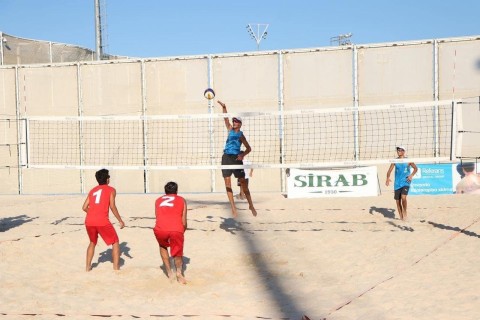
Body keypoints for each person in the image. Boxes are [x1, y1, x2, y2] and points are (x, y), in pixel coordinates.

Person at [217, 100, 257, 218]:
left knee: (244, 183)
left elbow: (249, 148)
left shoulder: (241, 135)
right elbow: (225, 119)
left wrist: (242, 155)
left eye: (236, 121)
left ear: (240, 124)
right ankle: (233, 207)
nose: (234, 122)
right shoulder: (229, 129)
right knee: (227, 182)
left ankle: (250, 204)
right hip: (226, 157)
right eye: (234, 121)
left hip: (236, 158)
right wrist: (224, 107)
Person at [82, 169, 125, 271]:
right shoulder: (111, 190)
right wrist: (120, 220)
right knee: (115, 242)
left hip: (89, 221)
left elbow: (84, 207)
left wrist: (93, 213)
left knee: (92, 242)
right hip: (102, 221)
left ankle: (87, 267)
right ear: (107, 179)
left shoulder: (92, 190)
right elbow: (112, 206)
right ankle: (116, 268)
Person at [153, 181, 188, 284]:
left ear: (165, 191)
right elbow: (184, 221)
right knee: (177, 252)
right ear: (176, 191)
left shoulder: (158, 200)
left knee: (162, 246)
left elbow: (158, 216)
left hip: (160, 229)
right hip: (176, 229)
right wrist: (182, 231)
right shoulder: (181, 200)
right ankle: (179, 273)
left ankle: (169, 273)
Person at [385, 146, 418, 221]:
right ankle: (401, 217)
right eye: (398, 150)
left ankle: (405, 212)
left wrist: (411, 175)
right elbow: (389, 171)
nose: (398, 151)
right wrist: (387, 178)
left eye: (400, 150)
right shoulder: (395, 161)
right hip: (397, 183)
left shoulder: (408, 160)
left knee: (403, 198)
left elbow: (416, 168)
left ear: (404, 151)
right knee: (397, 201)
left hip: (406, 182)